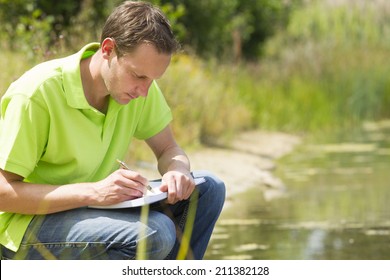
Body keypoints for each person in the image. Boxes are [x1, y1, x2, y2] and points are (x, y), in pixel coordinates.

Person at [0, 1, 225, 260]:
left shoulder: (139, 89)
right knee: (156, 233)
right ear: (108, 49)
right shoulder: (36, 94)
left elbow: (168, 149)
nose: (144, 91)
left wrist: (178, 170)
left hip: (93, 209)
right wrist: (95, 192)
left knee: (209, 188)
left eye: (153, 80)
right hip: (25, 228)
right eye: (138, 76)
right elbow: (3, 194)